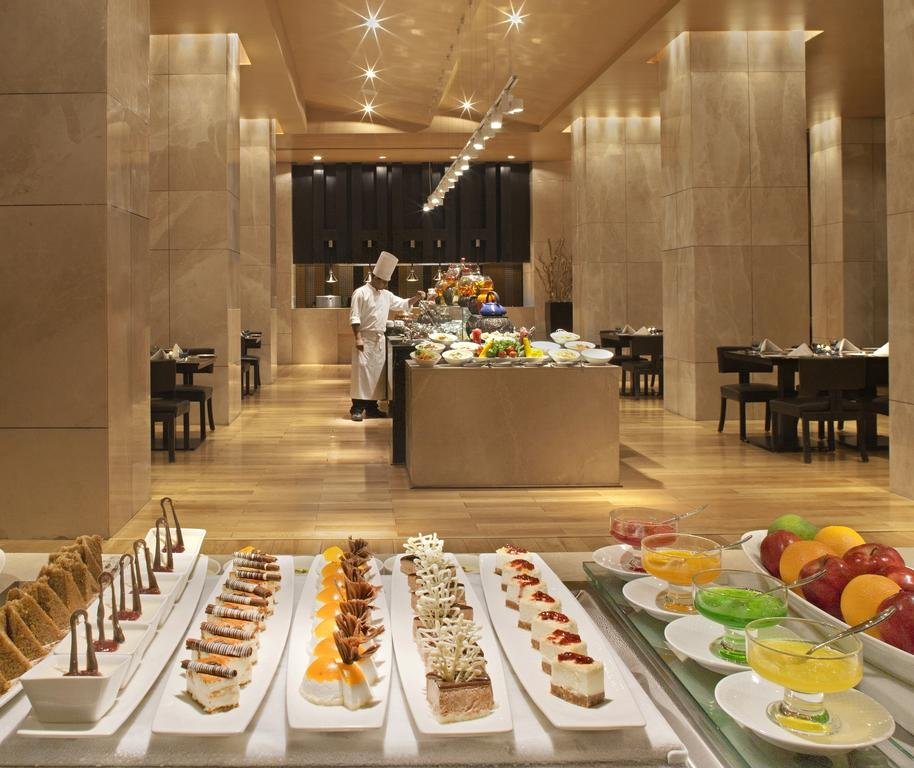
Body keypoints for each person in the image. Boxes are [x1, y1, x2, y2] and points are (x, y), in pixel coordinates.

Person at [349, 251, 425, 421]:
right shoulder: (360, 293)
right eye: (383, 281)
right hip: (365, 338)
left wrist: (416, 297)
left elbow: (402, 304)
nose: (384, 284)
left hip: (379, 339)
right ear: (375, 278)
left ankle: (372, 408)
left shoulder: (386, 295)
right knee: (362, 375)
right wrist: (358, 338)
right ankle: (356, 408)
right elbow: (354, 318)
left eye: (386, 282)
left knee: (377, 375)